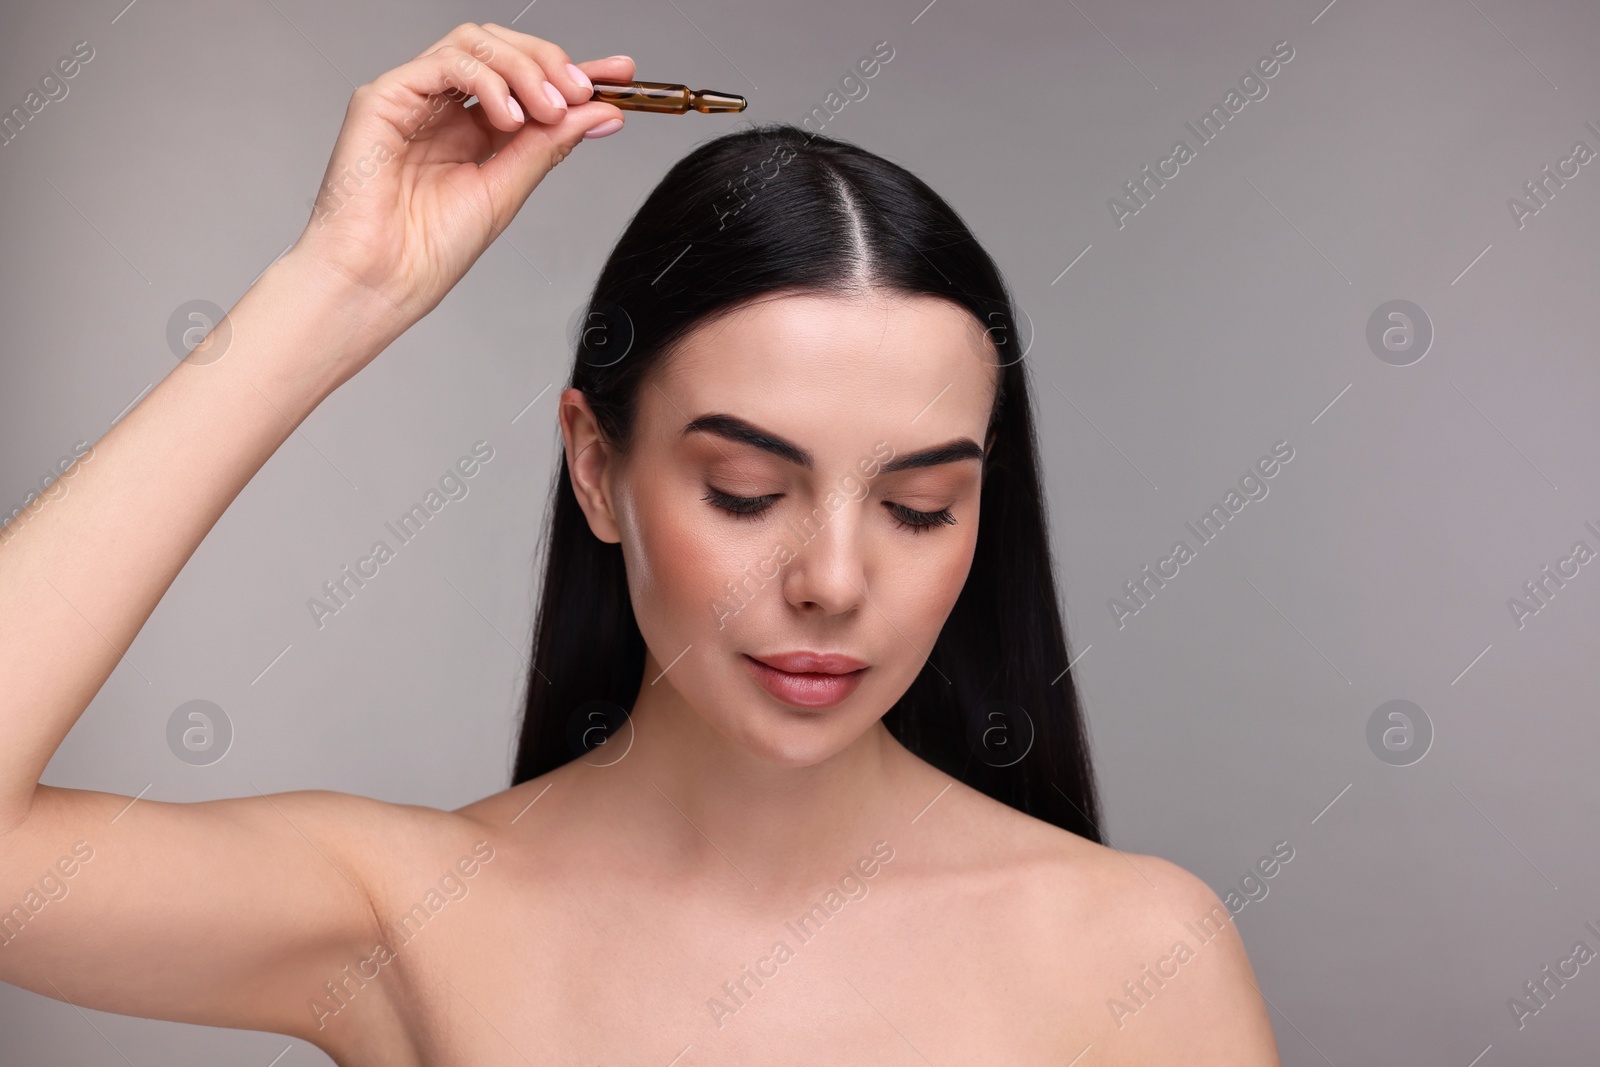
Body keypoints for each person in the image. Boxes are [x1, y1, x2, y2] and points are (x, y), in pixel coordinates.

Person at [0, 21, 1281, 1065]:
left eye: (918, 508)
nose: (834, 582)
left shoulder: (1132, 952)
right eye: (742, 489)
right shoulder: (412, 918)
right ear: (597, 467)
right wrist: (336, 288)